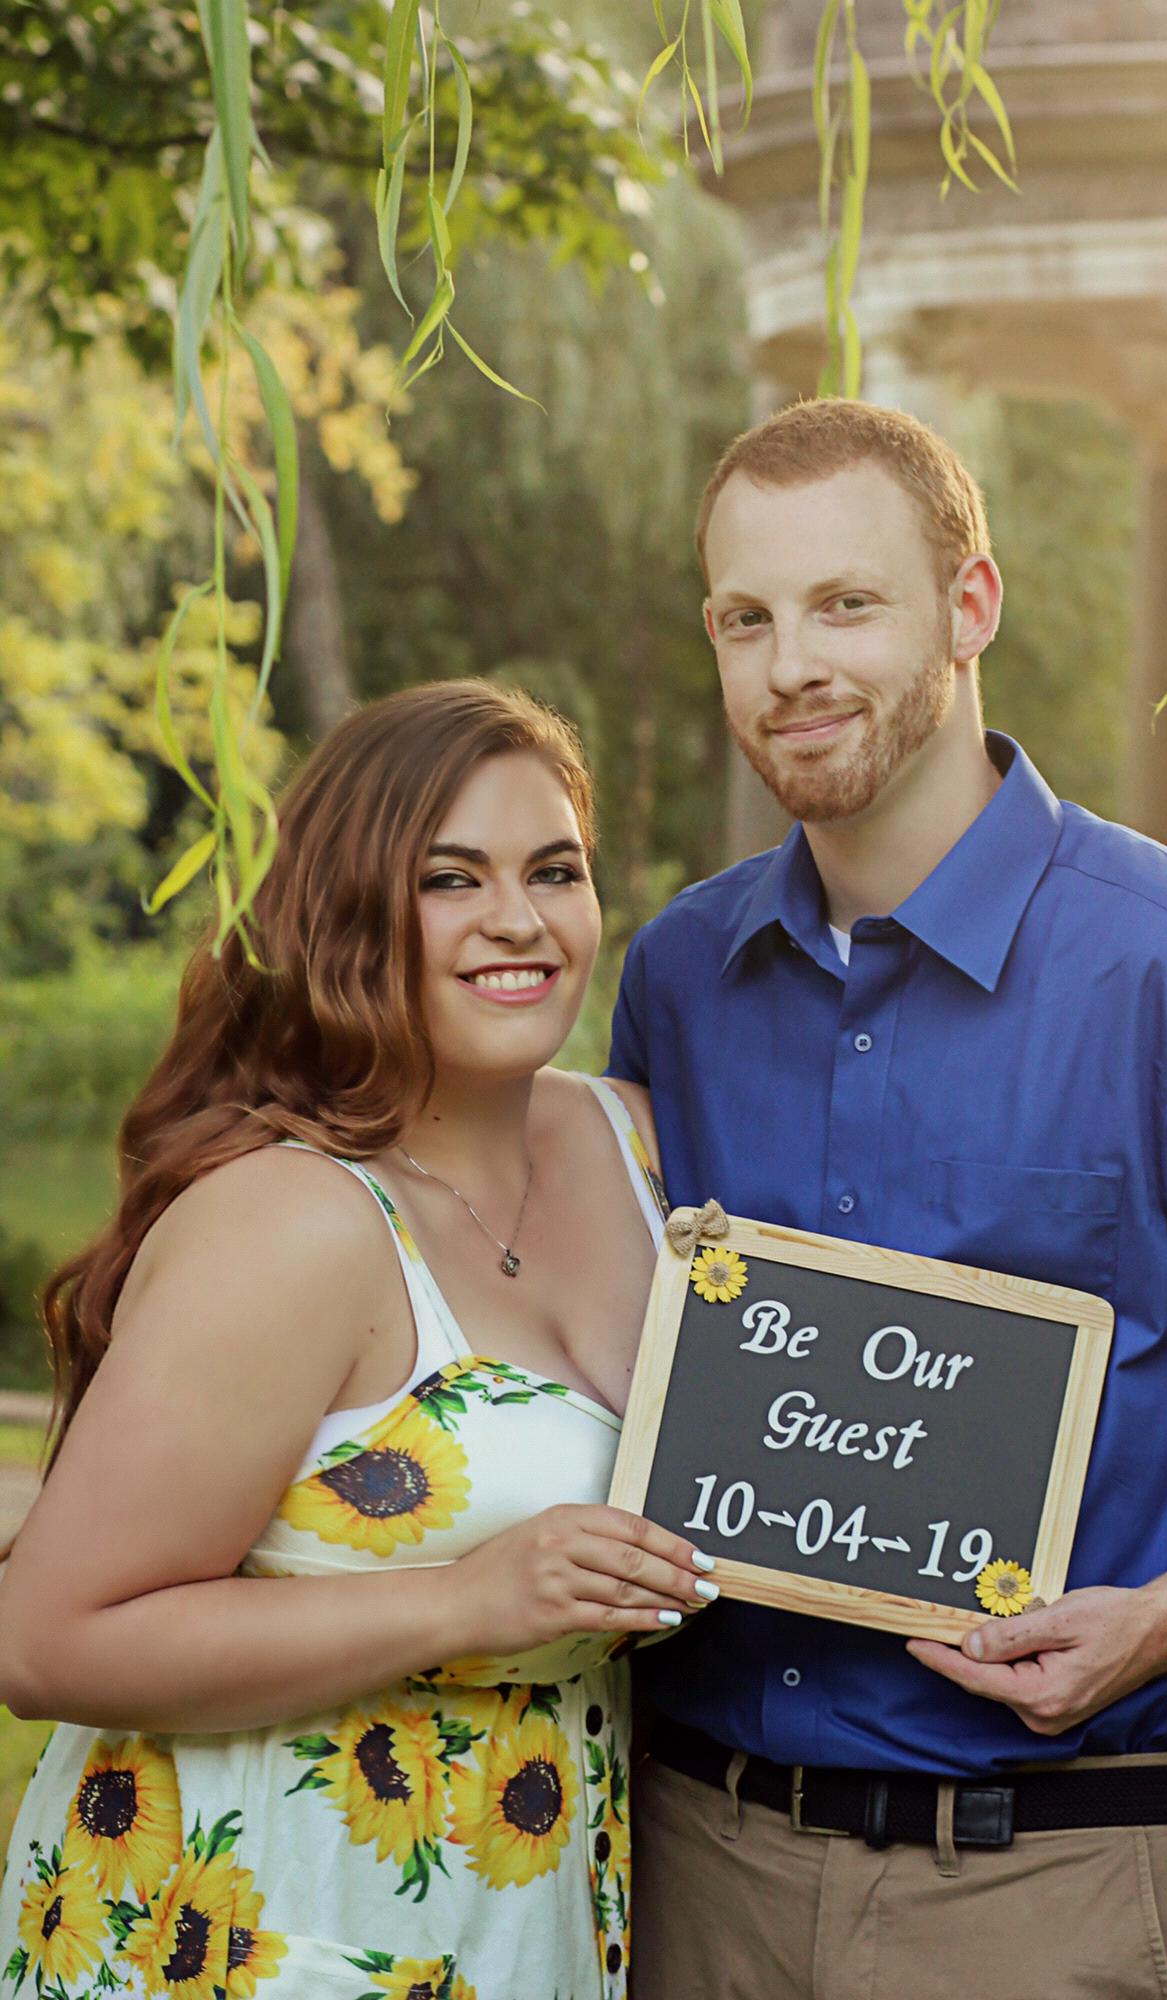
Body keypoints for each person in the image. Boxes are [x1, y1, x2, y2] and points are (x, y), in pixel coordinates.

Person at [609, 398, 1167, 2000]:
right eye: (745, 618)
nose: (789, 665)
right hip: (687, 1870)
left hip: (1047, 1889)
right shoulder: (680, 979)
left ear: (970, 605)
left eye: (844, 604)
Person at [0, 679, 715, 2000]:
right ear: (348, 912)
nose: (518, 919)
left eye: (553, 870)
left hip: (531, 1912)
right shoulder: (292, 1223)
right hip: (248, 1924)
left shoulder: (643, 1151)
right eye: (451, 879)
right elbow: (45, 1641)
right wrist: (464, 1601)